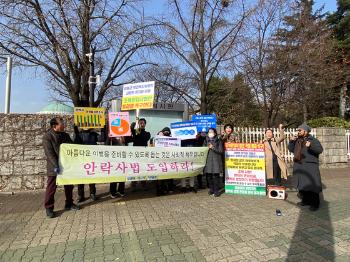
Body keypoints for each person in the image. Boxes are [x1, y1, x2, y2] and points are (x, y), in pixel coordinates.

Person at [42, 117, 79, 218]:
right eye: (61, 124)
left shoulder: (65, 135)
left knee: (69, 186)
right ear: (54, 126)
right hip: (54, 167)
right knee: (51, 188)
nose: (64, 125)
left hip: (66, 166)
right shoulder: (47, 137)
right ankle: (49, 208)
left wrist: (77, 136)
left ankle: (69, 204)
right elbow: (50, 154)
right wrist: (56, 165)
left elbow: (72, 147)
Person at [288, 123, 323, 211]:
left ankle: (315, 204)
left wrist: (310, 146)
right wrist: (291, 141)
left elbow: (320, 150)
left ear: (305, 131)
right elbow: (291, 149)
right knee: (303, 185)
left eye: (300, 130)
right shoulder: (297, 140)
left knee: (312, 185)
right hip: (299, 165)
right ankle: (305, 201)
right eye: (298, 130)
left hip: (310, 165)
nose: (298, 132)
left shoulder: (313, 140)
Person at [74, 128, 99, 202]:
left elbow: (102, 138)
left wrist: (104, 126)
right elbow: (75, 145)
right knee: (81, 178)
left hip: (91, 158)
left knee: (91, 176)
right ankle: (80, 195)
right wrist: (75, 128)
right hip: (81, 159)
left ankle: (92, 193)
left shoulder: (94, 134)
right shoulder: (78, 134)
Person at [129, 118, 151, 190]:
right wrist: (132, 127)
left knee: (143, 169)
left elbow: (144, 138)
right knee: (134, 169)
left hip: (143, 154)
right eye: (140, 123)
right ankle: (133, 186)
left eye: (142, 123)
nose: (141, 124)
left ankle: (144, 185)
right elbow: (130, 137)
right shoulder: (135, 132)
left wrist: (138, 130)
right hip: (135, 154)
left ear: (145, 124)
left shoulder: (147, 133)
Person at [204, 128, 224, 197]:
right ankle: (211, 189)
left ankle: (216, 191)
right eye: (209, 132)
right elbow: (202, 150)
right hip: (208, 160)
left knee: (216, 176)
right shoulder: (205, 141)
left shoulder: (219, 141)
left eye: (212, 132)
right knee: (209, 176)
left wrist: (213, 147)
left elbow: (221, 151)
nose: (210, 133)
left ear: (215, 133)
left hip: (216, 160)